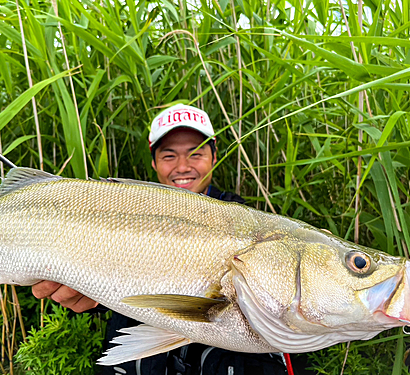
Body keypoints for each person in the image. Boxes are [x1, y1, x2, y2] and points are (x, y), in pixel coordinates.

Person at [32, 104, 288, 375]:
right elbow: (101, 281)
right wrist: (87, 296)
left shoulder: (250, 226)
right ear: (153, 162)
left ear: (214, 157)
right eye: (169, 156)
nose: (182, 167)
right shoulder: (121, 207)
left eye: (196, 153)